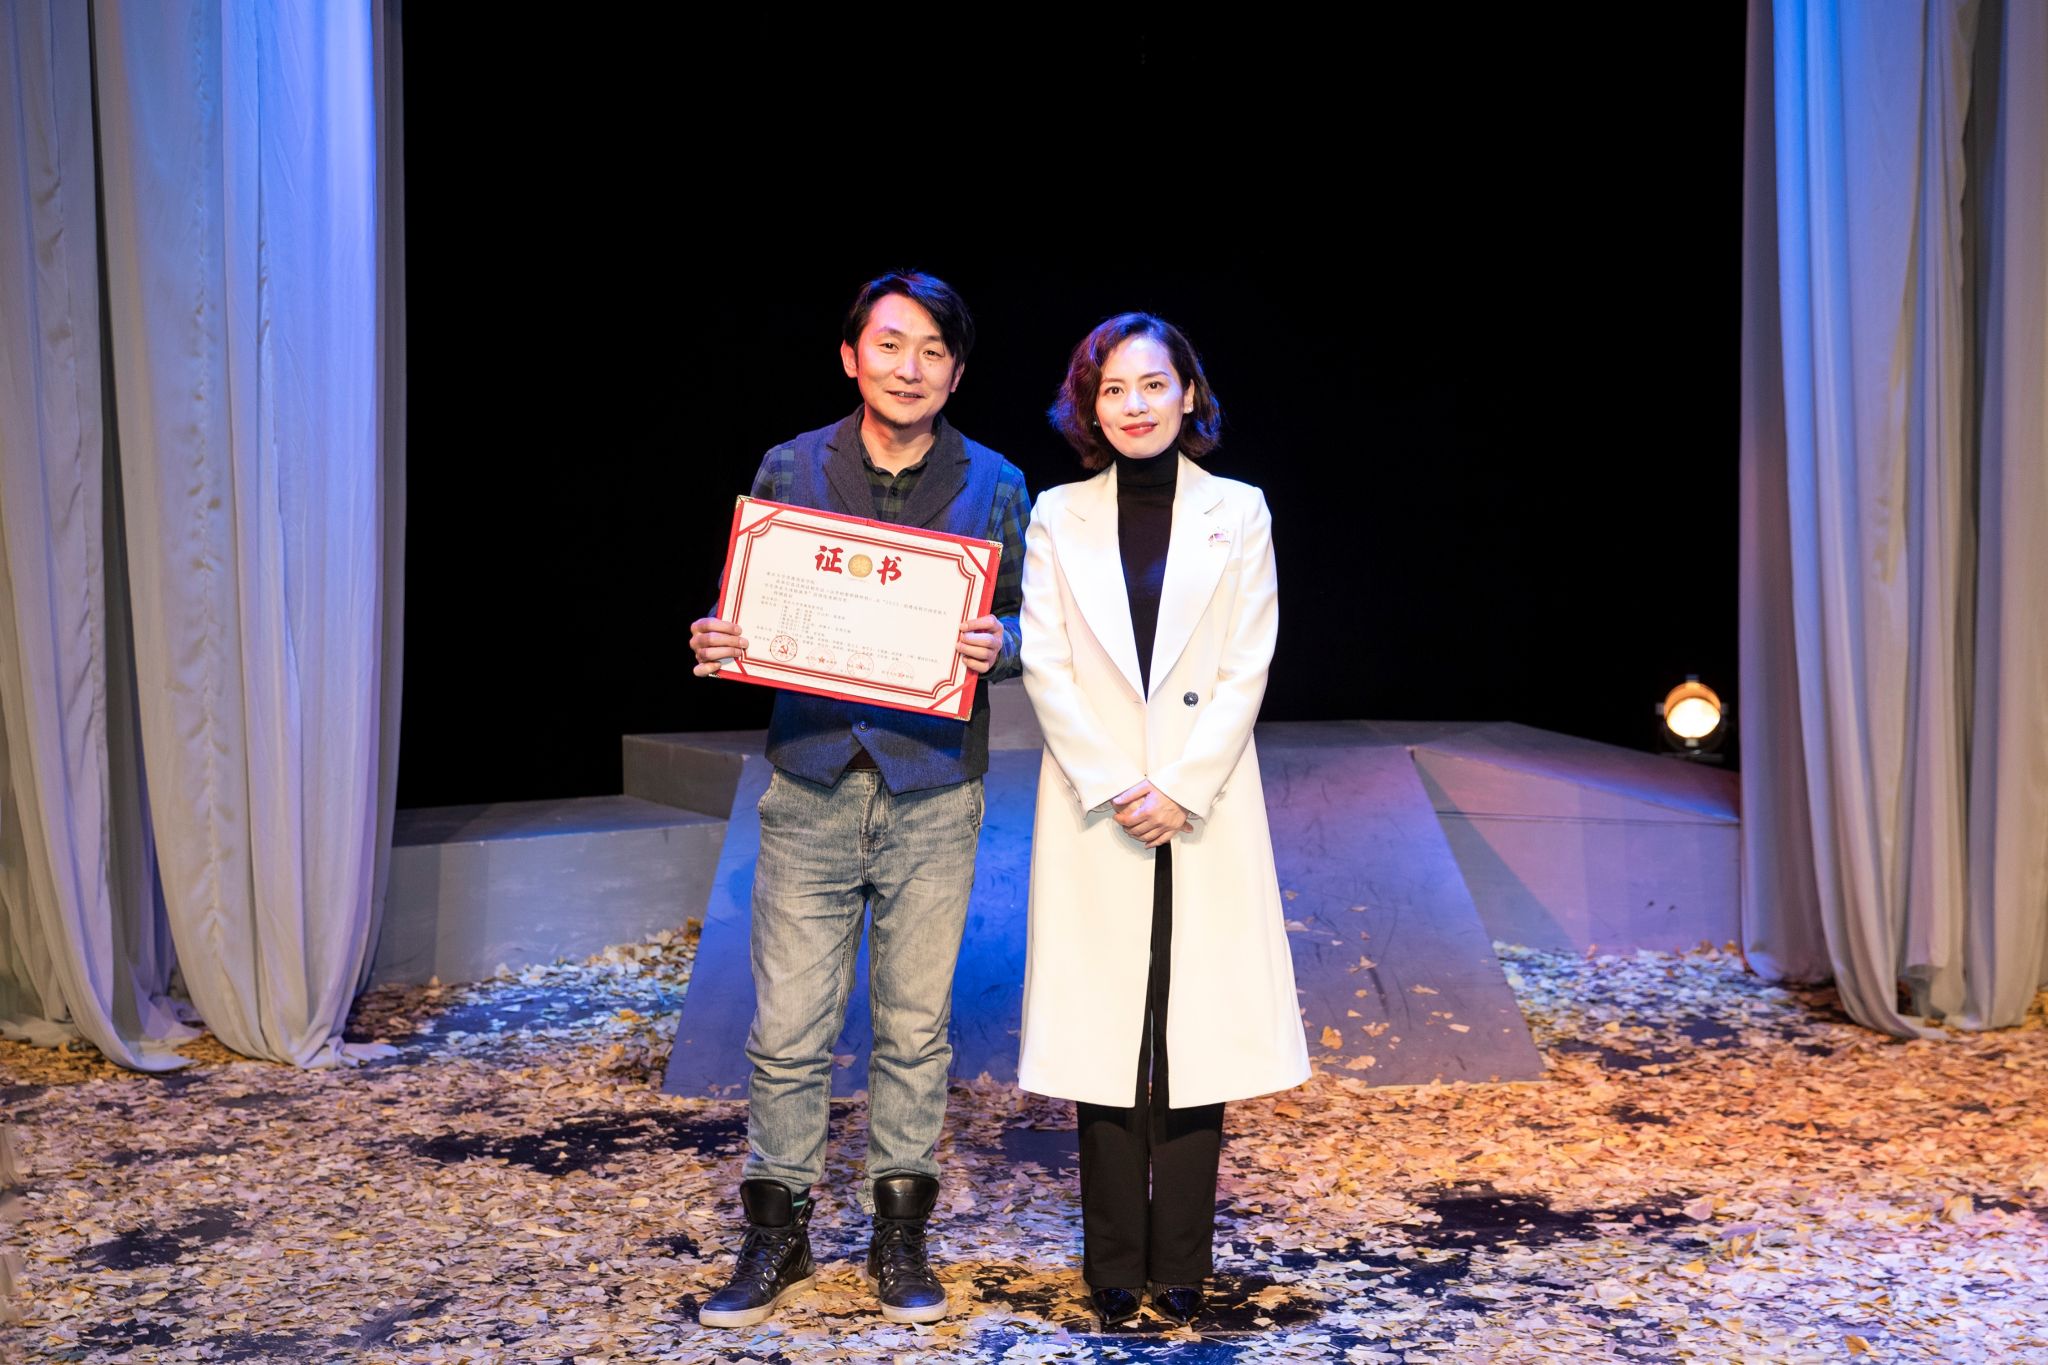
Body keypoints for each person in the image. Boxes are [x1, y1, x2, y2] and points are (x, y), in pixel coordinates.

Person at [688, 272, 1030, 1328]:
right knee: (787, 1027)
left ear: (955, 371)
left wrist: (1005, 644)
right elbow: (753, 602)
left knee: (915, 1029)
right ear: (851, 356)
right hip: (812, 779)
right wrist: (722, 634)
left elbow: (1029, 622)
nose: (907, 368)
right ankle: (777, 1231)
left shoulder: (995, 481)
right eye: (889, 345)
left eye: (931, 351)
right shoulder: (792, 465)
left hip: (933, 786)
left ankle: (899, 1233)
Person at [1016, 312, 1310, 1328]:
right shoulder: (1056, 514)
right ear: (1088, 407)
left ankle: (1182, 1260)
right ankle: (1112, 1263)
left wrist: (1181, 786)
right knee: (1104, 1033)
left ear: (1187, 393)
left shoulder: (1240, 509)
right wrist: (1115, 782)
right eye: (1112, 389)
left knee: (1196, 1032)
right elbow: (1046, 663)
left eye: (1152, 384)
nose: (1134, 404)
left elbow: (1247, 661)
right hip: (1096, 803)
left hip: (1202, 800)